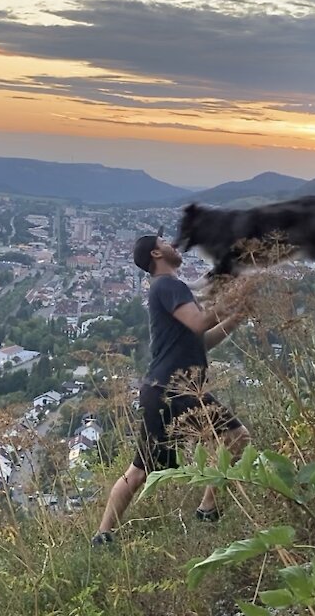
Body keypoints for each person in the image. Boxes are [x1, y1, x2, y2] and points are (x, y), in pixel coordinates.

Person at [91, 231, 252, 545]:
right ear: (155, 254)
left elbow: (201, 340)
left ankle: (103, 536)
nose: (172, 245)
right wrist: (233, 299)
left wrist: (236, 318)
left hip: (160, 389)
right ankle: (208, 508)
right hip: (174, 388)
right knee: (236, 437)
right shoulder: (169, 285)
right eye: (164, 241)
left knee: (140, 469)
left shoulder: (166, 289)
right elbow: (199, 323)